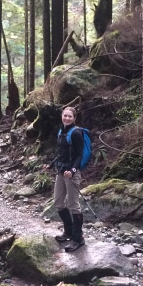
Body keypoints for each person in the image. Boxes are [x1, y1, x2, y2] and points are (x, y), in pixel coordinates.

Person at [50, 105, 86, 252]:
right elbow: (61, 153)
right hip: (60, 171)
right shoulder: (61, 131)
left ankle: (78, 238)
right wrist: (51, 164)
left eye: (70, 116)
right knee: (58, 202)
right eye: (65, 115)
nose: (67, 118)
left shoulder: (76, 133)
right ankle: (69, 231)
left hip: (72, 173)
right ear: (62, 116)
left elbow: (79, 155)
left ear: (74, 118)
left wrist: (72, 170)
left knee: (73, 204)